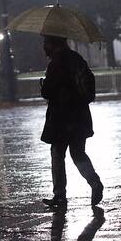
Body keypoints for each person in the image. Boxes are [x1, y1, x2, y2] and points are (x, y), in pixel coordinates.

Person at [39, 35, 103, 207]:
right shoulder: (77, 59)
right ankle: (95, 182)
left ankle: (59, 195)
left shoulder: (56, 63)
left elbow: (48, 92)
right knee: (78, 153)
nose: (44, 46)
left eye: (46, 43)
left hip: (62, 118)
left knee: (57, 154)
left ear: (53, 43)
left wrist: (43, 85)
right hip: (79, 116)